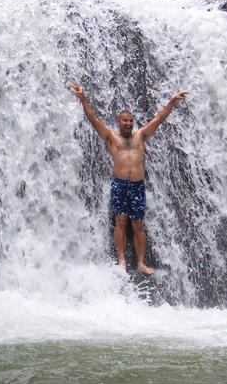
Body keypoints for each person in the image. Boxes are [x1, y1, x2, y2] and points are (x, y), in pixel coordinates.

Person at [70, 82, 189, 275]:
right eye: (125, 120)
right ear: (118, 122)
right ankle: (122, 260)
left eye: (131, 121)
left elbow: (159, 118)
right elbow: (93, 119)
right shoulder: (111, 138)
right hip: (119, 185)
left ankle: (141, 263)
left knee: (137, 224)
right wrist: (84, 100)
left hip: (137, 186)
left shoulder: (141, 136)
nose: (128, 123)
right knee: (121, 222)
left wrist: (172, 102)